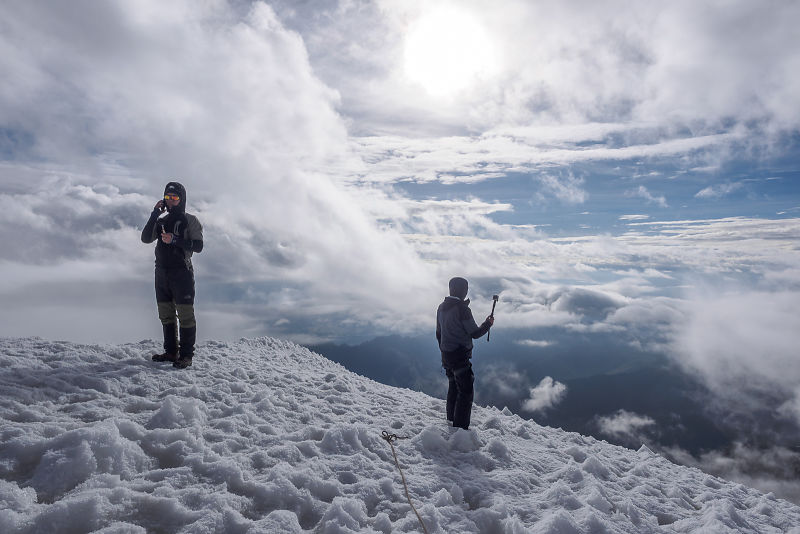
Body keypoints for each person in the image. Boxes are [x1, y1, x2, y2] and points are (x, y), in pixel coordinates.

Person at [141, 182, 203, 369]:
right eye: (168, 197)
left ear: (182, 199)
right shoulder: (161, 220)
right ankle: (171, 352)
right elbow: (145, 238)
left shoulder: (190, 220)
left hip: (182, 272)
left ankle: (186, 356)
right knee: (165, 315)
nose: (171, 201)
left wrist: (175, 240)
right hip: (161, 272)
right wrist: (154, 214)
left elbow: (198, 246)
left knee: (185, 315)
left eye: (175, 198)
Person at [436, 277, 494, 430]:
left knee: (453, 386)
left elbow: (438, 333)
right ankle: (460, 429)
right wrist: (488, 324)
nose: (466, 291)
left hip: (446, 356)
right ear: (462, 290)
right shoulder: (462, 309)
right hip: (460, 356)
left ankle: (451, 419)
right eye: (465, 289)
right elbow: (475, 333)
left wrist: (444, 350)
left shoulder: (441, 307)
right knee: (466, 392)